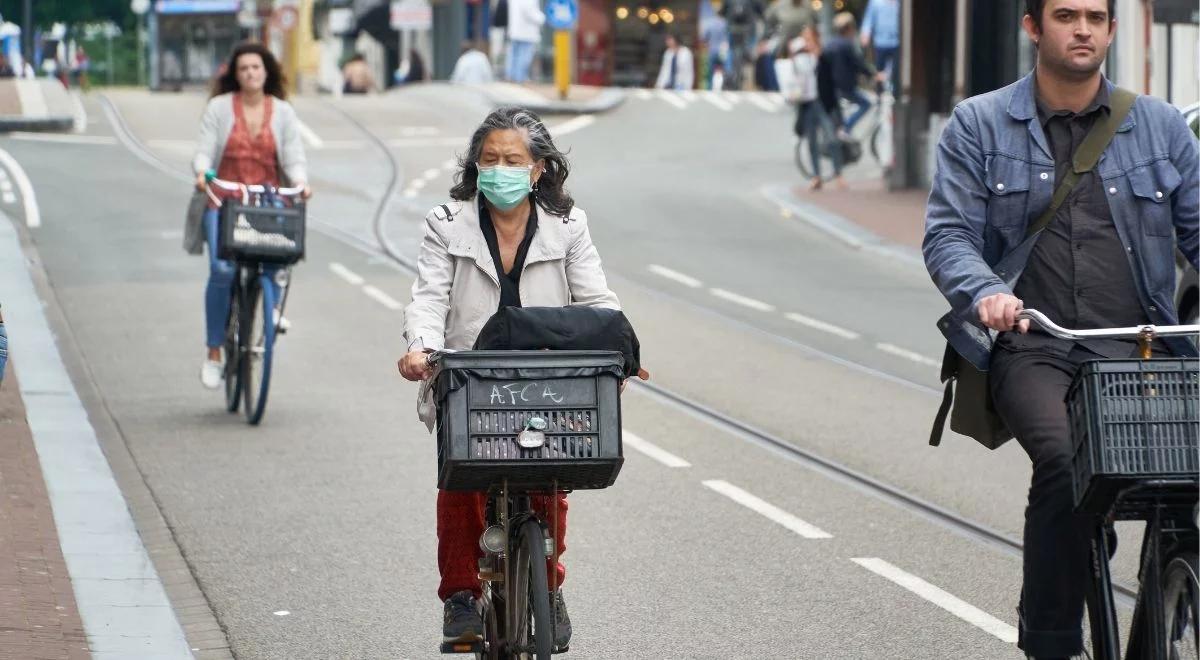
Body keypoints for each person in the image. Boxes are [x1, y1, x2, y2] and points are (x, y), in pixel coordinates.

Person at [922, 2, 1198, 658]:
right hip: (1037, 346)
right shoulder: (980, 123)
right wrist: (986, 291)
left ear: (1108, 30)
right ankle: (1049, 640)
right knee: (1066, 460)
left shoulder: (1161, 128)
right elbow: (948, 233)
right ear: (1032, 27)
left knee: (1184, 472)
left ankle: (1169, 610)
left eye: (1096, 17)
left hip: (1145, 347)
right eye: (1066, 15)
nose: (1083, 29)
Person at [399, 106, 622, 648]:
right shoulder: (447, 222)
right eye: (490, 158)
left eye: (513, 159)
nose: (500, 168)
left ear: (539, 167)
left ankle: (548, 585)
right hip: (469, 374)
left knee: (552, 478)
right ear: (476, 164)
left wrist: (619, 349)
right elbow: (429, 297)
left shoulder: (568, 224)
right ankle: (459, 597)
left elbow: (595, 300)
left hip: (548, 376)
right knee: (463, 479)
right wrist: (419, 349)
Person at [192, 42, 311, 389]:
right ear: (235, 74)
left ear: (266, 72)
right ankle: (215, 351)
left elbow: (293, 156)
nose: (250, 74)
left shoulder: (284, 112)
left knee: (279, 250)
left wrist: (301, 182)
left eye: (256, 68)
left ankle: (271, 301)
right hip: (224, 199)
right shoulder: (219, 108)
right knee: (222, 269)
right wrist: (202, 174)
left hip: (267, 198)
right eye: (243, 68)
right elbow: (203, 151)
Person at [777, 29, 844, 190]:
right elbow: (792, 75)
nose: (806, 43)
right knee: (812, 141)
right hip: (806, 103)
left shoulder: (822, 56)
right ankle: (816, 176)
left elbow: (830, 82)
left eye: (809, 39)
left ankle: (838, 174)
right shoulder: (800, 58)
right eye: (804, 39)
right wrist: (793, 56)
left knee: (832, 138)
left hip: (821, 102)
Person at [824, 12, 881, 133]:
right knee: (866, 104)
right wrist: (874, 74)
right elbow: (859, 63)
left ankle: (842, 131)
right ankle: (847, 127)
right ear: (849, 28)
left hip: (831, 86)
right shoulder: (847, 45)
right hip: (846, 86)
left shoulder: (829, 44)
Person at [860, 0, 899, 83]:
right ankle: (879, 92)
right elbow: (869, 18)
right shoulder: (875, 2)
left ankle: (895, 92)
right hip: (880, 41)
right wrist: (865, 32)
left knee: (896, 70)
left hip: (897, 41)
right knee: (879, 69)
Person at [505, 0, 544, 83]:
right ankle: (520, 78)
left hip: (515, 31)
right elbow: (529, 12)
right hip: (526, 33)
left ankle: (512, 77)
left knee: (514, 56)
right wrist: (542, 18)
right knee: (524, 57)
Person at [702, 13, 732, 91]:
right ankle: (726, 87)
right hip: (723, 50)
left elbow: (704, 37)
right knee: (726, 70)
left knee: (710, 71)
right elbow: (729, 37)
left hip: (712, 50)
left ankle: (709, 88)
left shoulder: (710, 23)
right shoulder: (725, 23)